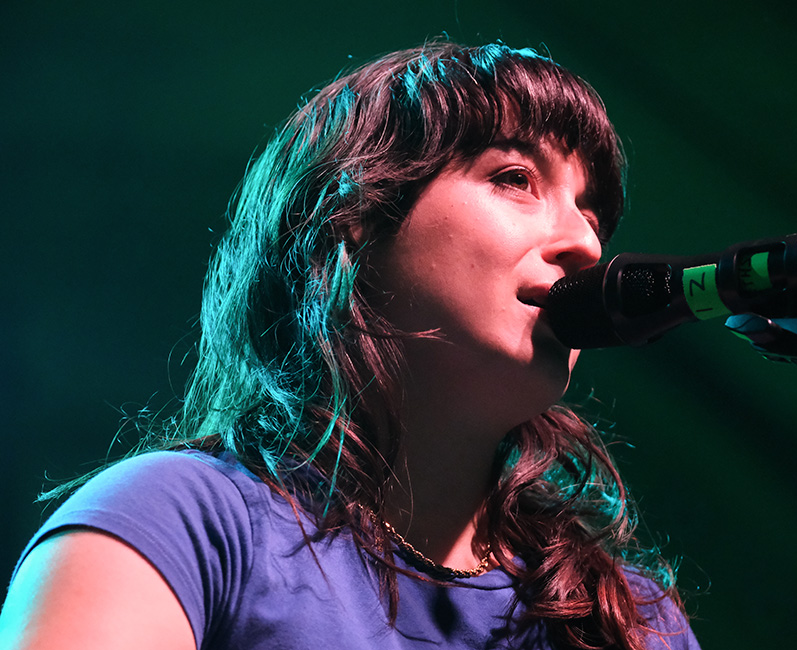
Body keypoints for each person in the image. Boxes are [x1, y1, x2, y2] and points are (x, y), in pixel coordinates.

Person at [0, 42, 700, 649]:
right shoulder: (175, 522)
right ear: (352, 225)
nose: (585, 243)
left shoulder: (629, 620)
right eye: (515, 178)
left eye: (592, 212)